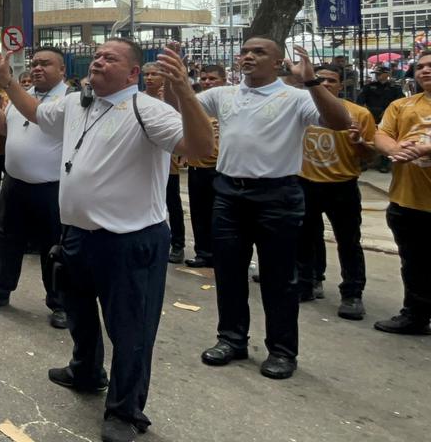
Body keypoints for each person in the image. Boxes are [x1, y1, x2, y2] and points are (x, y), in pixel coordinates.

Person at [0, 39, 214, 442]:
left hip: (130, 242)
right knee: (77, 311)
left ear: (133, 73)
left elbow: (200, 148)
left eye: (110, 57)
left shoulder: (148, 110)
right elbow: (36, 112)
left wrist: (183, 92)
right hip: (77, 235)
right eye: (97, 55)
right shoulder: (77, 103)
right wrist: (7, 81)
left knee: (130, 331)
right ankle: (86, 370)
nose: (98, 60)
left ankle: (125, 411)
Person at [194, 39, 351, 381]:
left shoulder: (296, 98)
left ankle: (281, 350)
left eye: (259, 52)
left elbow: (340, 122)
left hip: (277, 197)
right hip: (228, 194)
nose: (248, 56)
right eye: (245, 51)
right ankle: (231, 340)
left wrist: (311, 81)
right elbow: (183, 110)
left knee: (279, 279)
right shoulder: (223, 95)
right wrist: (174, 85)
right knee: (230, 273)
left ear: (279, 61)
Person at [0, 46, 69, 329]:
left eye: (46, 64)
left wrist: (6, 81)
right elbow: (4, 127)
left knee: (54, 248)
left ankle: (60, 303)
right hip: (14, 184)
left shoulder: (70, 100)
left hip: (51, 188)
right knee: (6, 241)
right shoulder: (20, 97)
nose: (38, 68)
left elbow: (41, 117)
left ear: (62, 70)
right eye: (35, 63)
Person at [295, 64, 373, 320]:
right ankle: (307, 283)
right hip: (306, 183)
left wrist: (359, 143)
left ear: (341, 85)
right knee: (305, 238)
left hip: (343, 186)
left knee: (348, 241)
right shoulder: (300, 109)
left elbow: (370, 156)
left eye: (331, 80)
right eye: (320, 79)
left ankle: (352, 294)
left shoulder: (358, 114)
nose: (325, 84)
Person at [370, 50, 431, 335]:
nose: (425, 71)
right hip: (407, 199)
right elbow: (380, 134)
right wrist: (394, 149)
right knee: (413, 263)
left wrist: (424, 148)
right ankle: (415, 315)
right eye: (420, 67)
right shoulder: (401, 106)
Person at [143, 63, 187, 263]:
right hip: (144, 163)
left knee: (173, 203)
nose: (150, 78)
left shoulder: (169, 101)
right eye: (147, 74)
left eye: (154, 74)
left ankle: (177, 244)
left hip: (169, 164)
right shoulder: (138, 98)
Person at [184, 65, 225, 268]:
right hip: (196, 167)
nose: (207, 82)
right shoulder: (197, 105)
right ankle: (203, 253)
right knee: (199, 213)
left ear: (223, 80)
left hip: (219, 169)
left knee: (220, 216)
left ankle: (221, 254)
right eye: (204, 78)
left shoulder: (227, 104)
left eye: (212, 79)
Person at [358, 65, 404, 172]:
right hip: (370, 114)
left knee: (387, 138)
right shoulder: (369, 86)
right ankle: (363, 161)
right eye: (376, 74)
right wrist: (366, 112)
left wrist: (388, 112)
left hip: (388, 116)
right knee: (364, 137)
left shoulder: (395, 88)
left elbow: (401, 102)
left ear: (387, 74)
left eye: (380, 74)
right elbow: (360, 101)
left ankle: (384, 163)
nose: (377, 76)